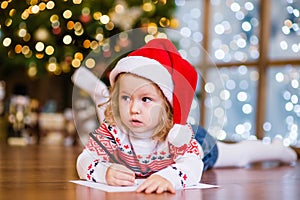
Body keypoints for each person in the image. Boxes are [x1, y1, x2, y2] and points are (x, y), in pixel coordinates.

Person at [75, 38, 297, 194]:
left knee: (239, 155)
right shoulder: (113, 130)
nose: (134, 108)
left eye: (145, 100)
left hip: (199, 141)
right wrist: (104, 172)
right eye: (126, 98)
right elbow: (85, 159)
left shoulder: (176, 136)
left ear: (167, 106)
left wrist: (169, 177)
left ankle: (281, 151)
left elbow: (192, 165)